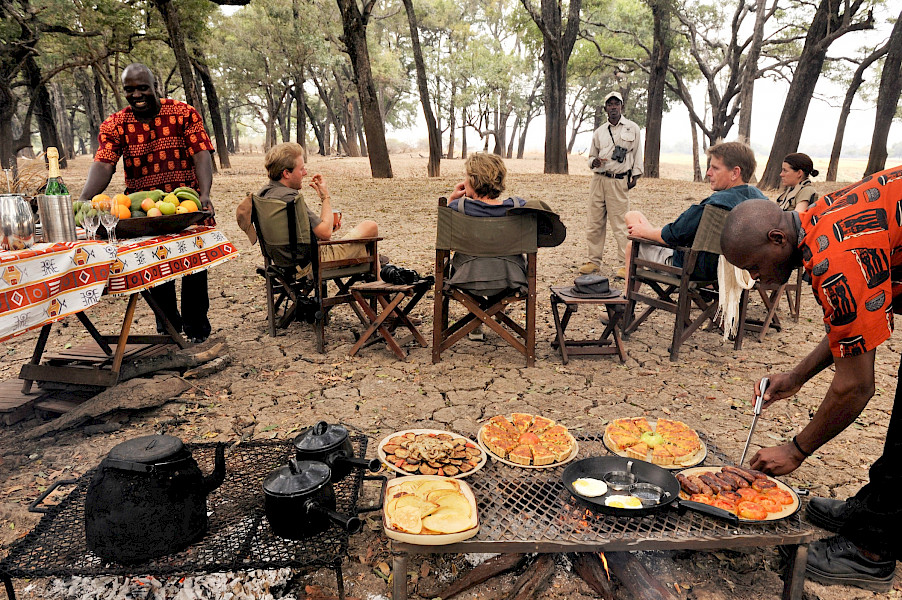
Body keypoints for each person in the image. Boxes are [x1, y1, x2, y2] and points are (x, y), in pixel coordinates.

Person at [719, 166, 902, 592]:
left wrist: (797, 449)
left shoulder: (835, 257)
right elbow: (851, 325)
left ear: (777, 239)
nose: (756, 279)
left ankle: (872, 549)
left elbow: (856, 386)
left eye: (753, 267)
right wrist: (797, 377)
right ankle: (873, 509)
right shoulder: (819, 220)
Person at [78, 63, 215, 343]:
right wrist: (84, 198)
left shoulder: (184, 113)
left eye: (143, 88)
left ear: (155, 87)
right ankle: (169, 331)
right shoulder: (115, 124)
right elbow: (104, 164)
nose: (137, 95)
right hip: (143, 211)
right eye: (130, 90)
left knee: (195, 268)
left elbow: (201, 153)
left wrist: (204, 194)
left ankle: (197, 330)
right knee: (155, 270)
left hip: (186, 205)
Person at [623, 141, 766, 283]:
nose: (708, 173)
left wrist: (644, 232)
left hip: (694, 270)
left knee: (633, 242)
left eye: (715, 168)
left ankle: (627, 296)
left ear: (735, 173)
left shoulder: (715, 205)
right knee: (634, 216)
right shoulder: (762, 205)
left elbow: (672, 235)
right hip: (736, 272)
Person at [237, 142, 379, 265]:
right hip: (312, 261)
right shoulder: (290, 200)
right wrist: (325, 197)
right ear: (286, 173)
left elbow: (295, 233)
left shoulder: (263, 195)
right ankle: (378, 282)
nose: (305, 173)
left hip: (283, 260)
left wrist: (326, 228)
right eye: (301, 169)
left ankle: (377, 275)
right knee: (370, 226)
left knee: (366, 252)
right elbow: (325, 233)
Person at [446, 153, 527, 340]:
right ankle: (493, 310)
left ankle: (478, 315)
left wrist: (451, 200)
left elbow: (446, 240)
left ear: (473, 180)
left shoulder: (457, 209)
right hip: (511, 278)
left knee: (474, 263)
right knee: (501, 263)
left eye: (467, 176)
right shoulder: (519, 207)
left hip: (466, 278)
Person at [580, 91, 644, 279]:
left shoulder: (632, 128)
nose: (613, 107)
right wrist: (594, 162)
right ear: (605, 108)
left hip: (618, 180)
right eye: (610, 104)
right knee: (594, 222)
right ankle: (593, 261)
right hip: (599, 180)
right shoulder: (599, 132)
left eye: (616, 104)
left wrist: (635, 176)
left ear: (622, 106)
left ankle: (625, 263)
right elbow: (591, 156)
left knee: (621, 224)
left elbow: (637, 153)